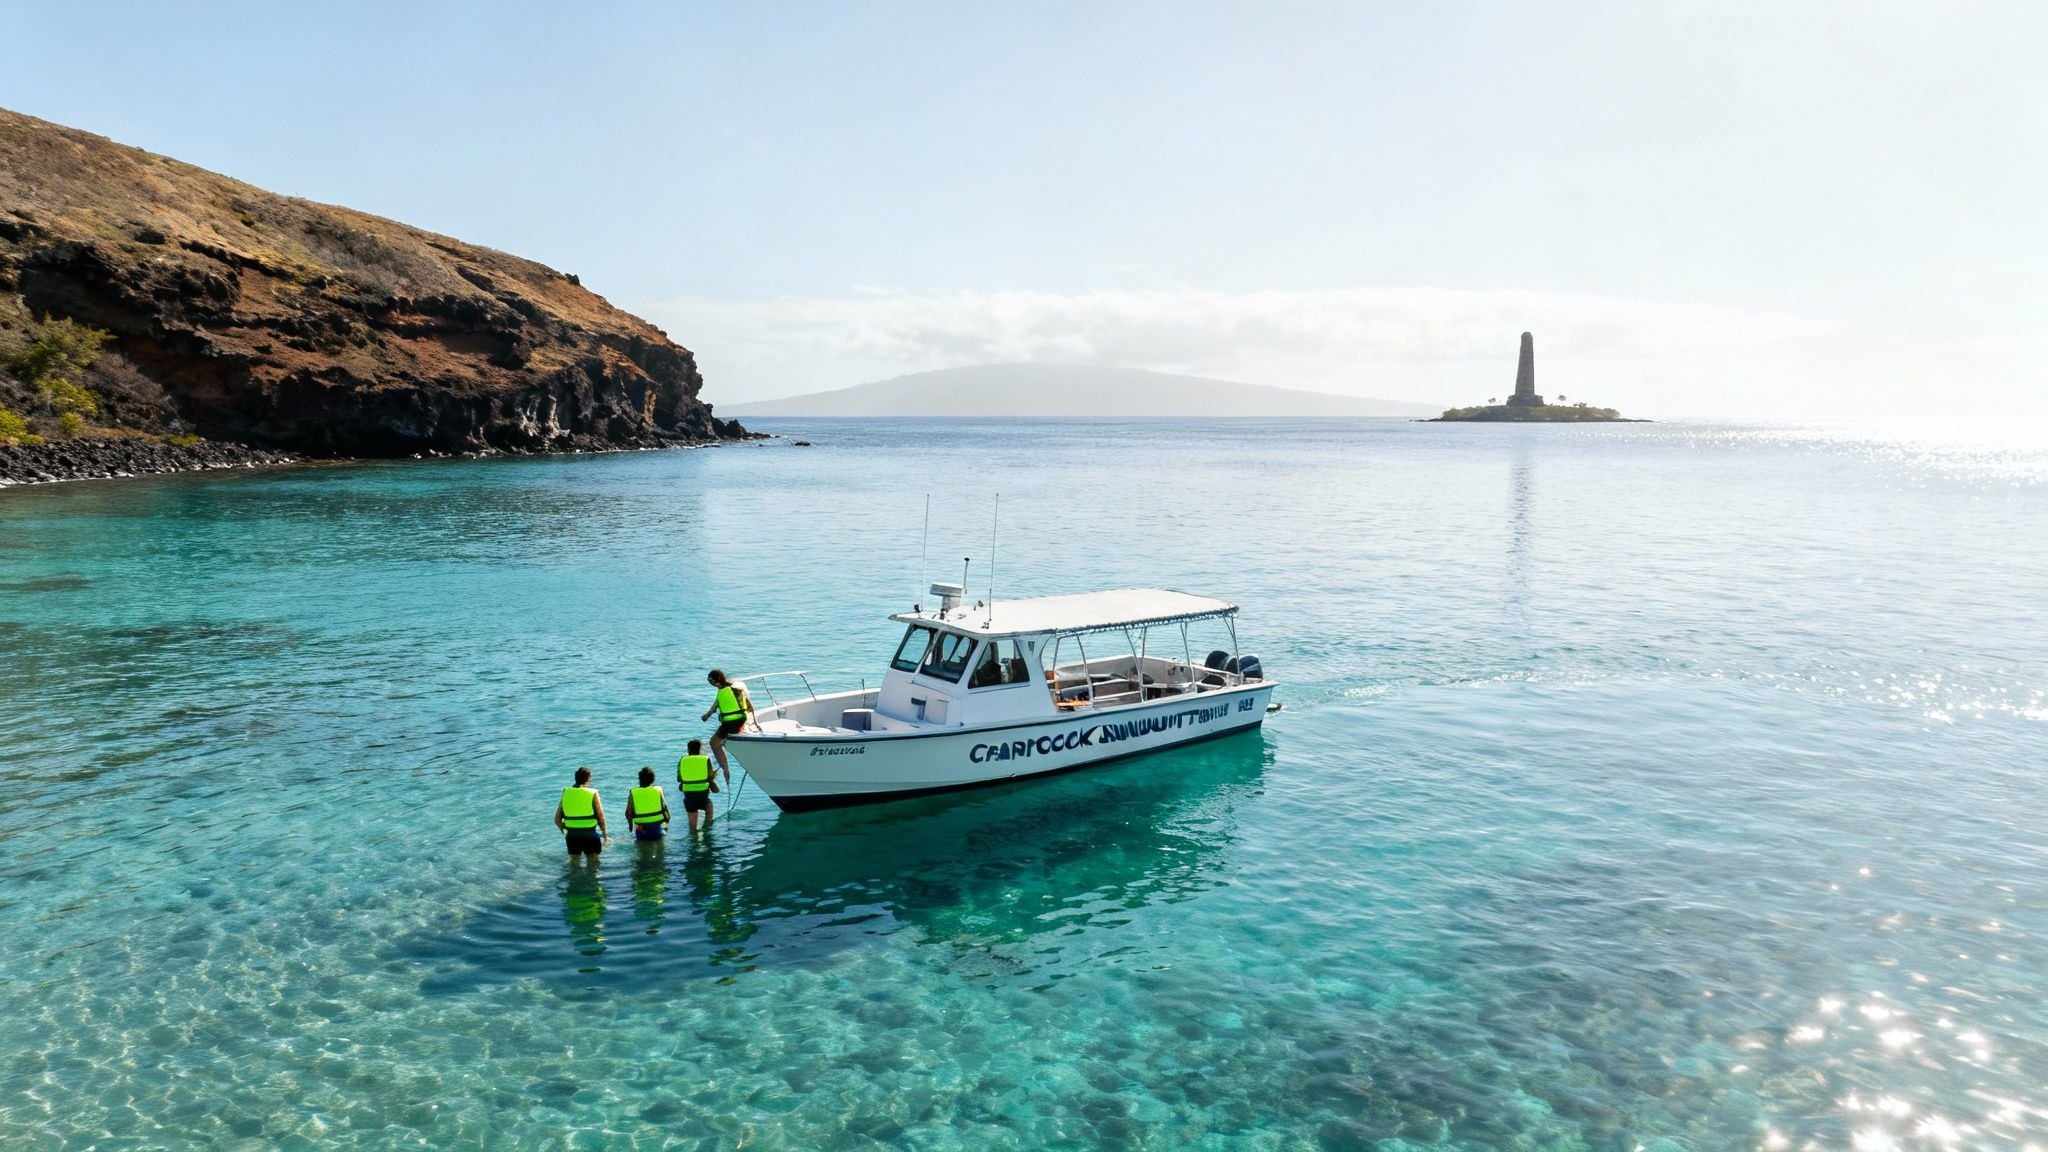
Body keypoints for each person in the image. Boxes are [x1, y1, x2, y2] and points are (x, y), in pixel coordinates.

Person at [699, 669, 752, 786]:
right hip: (742, 719)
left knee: (713, 742)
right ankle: (728, 737)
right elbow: (748, 704)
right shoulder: (737, 688)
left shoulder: (721, 692)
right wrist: (753, 719)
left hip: (730, 723)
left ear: (716, 681)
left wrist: (705, 717)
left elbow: (713, 709)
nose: (712, 685)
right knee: (724, 730)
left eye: (711, 683)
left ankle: (725, 770)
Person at [554, 767, 606, 858]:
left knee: (573, 862)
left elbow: (557, 819)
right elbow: (600, 815)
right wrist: (604, 833)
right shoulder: (592, 793)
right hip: (590, 834)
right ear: (588, 779)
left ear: (575, 778)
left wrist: (565, 831)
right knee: (593, 863)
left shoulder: (566, 792)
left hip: (572, 836)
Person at [676, 738, 720, 833]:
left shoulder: (682, 760)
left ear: (688, 750)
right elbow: (710, 777)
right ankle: (707, 831)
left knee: (692, 827)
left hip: (689, 796)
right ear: (700, 749)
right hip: (703, 795)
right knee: (709, 806)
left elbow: (679, 778)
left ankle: (693, 839)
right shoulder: (705, 759)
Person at [626, 766, 671, 842]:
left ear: (639, 780)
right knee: (660, 852)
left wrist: (630, 826)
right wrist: (667, 822)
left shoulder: (633, 792)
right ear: (652, 780)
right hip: (658, 829)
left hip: (641, 830)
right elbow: (665, 809)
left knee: (642, 851)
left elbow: (628, 813)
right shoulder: (658, 790)